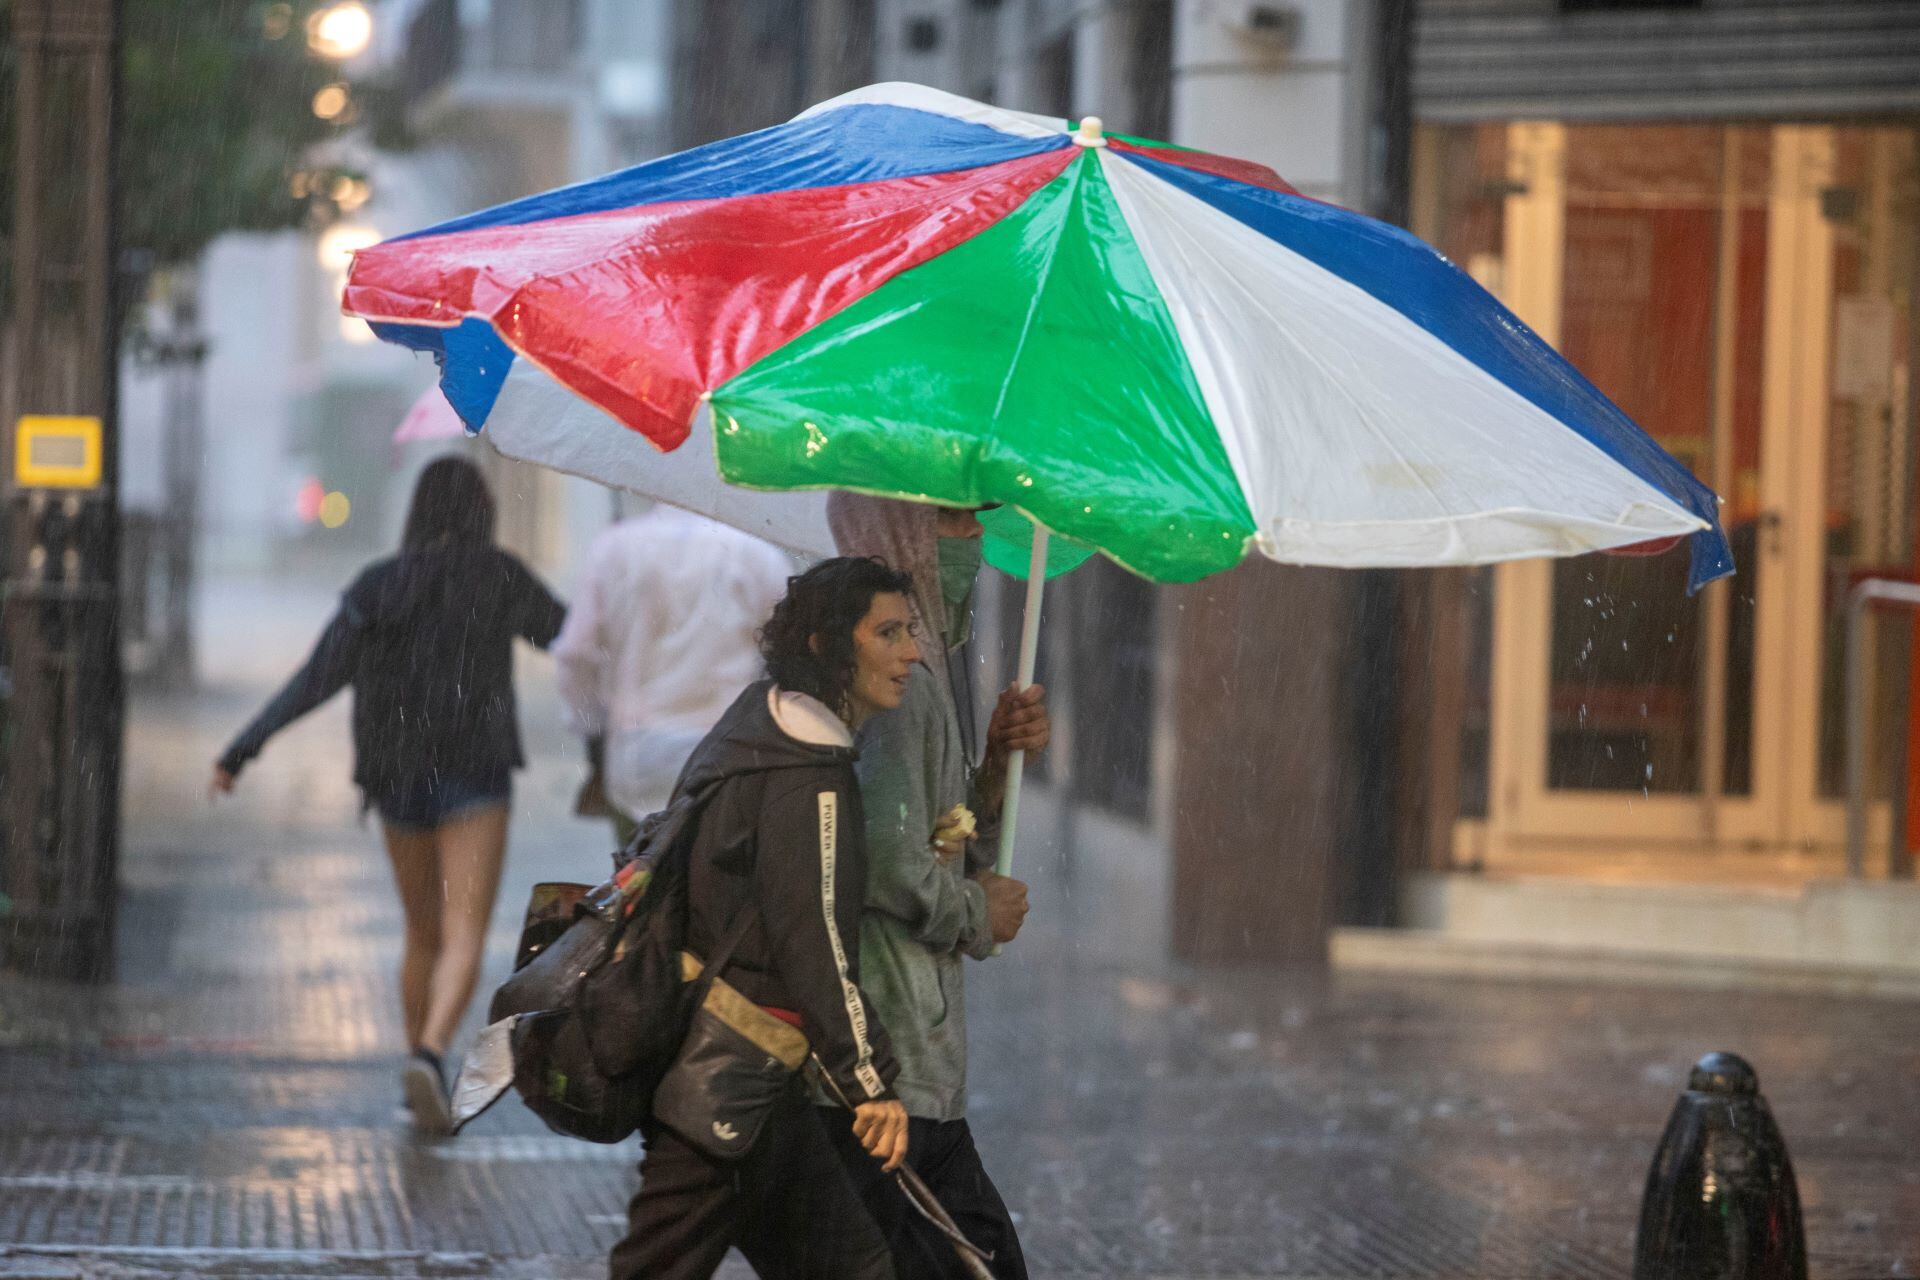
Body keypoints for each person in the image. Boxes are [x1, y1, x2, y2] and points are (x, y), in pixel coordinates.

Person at [210, 457, 565, 1135]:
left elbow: (317, 677)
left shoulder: (379, 586)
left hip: (398, 775)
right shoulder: (498, 576)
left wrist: (242, 748)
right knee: (465, 934)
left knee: (422, 933)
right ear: (481, 512)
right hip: (475, 773)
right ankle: (431, 1056)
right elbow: (574, 639)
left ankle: (418, 1067)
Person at [608, 556, 920, 1280]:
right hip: (724, 1070)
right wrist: (870, 1081)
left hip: (742, 1067)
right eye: (889, 632)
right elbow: (816, 940)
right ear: (828, 645)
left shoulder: (756, 728)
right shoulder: (809, 778)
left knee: (854, 1267)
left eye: (909, 632)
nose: (911, 653)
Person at [824, 494, 1050, 1280]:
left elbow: (933, 822)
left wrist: (992, 767)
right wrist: (977, 913)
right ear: (900, 533)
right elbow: (889, 862)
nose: (973, 539)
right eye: (953, 521)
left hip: (914, 1062)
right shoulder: (900, 677)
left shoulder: (911, 657)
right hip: (898, 1057)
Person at [551, 506, 791, 845]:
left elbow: (576, 653)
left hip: (637, 754)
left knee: (637, 884)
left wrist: (591, 728)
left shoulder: (614, 549)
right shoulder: (757, 554)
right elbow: (786, 652)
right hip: (728, 753)